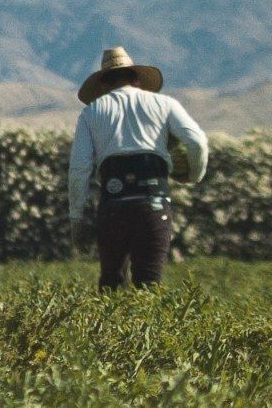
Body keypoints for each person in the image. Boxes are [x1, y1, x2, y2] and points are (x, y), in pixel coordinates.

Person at [68, 47, 208, 289]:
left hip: (113, 206)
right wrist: (194, 175)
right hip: (153, 203)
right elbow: (196, 141)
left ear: (103, 84)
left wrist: (76, 217)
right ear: (137, 79)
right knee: (149, 284)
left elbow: (79, 170)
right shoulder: (164, 104)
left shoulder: (91, 113)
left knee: (111, 284)